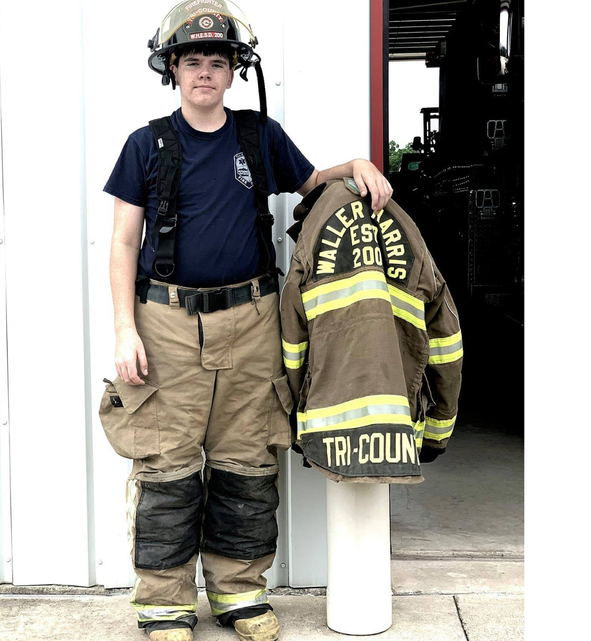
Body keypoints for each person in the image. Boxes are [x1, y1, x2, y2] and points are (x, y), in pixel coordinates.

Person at [98, 3, 392, 640]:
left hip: (253, 320)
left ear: (234, 72)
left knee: (247, 461)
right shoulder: (145, 145)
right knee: (167, 465)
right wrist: (125, 329)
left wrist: (358, 165)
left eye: (217, 62)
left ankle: (240, 595)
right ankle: (165, 605)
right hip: (166, 324)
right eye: (192, 62)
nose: (205, 73)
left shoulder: (260, 137)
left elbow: (313, 182)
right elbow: (122, 244)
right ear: (172, 70)